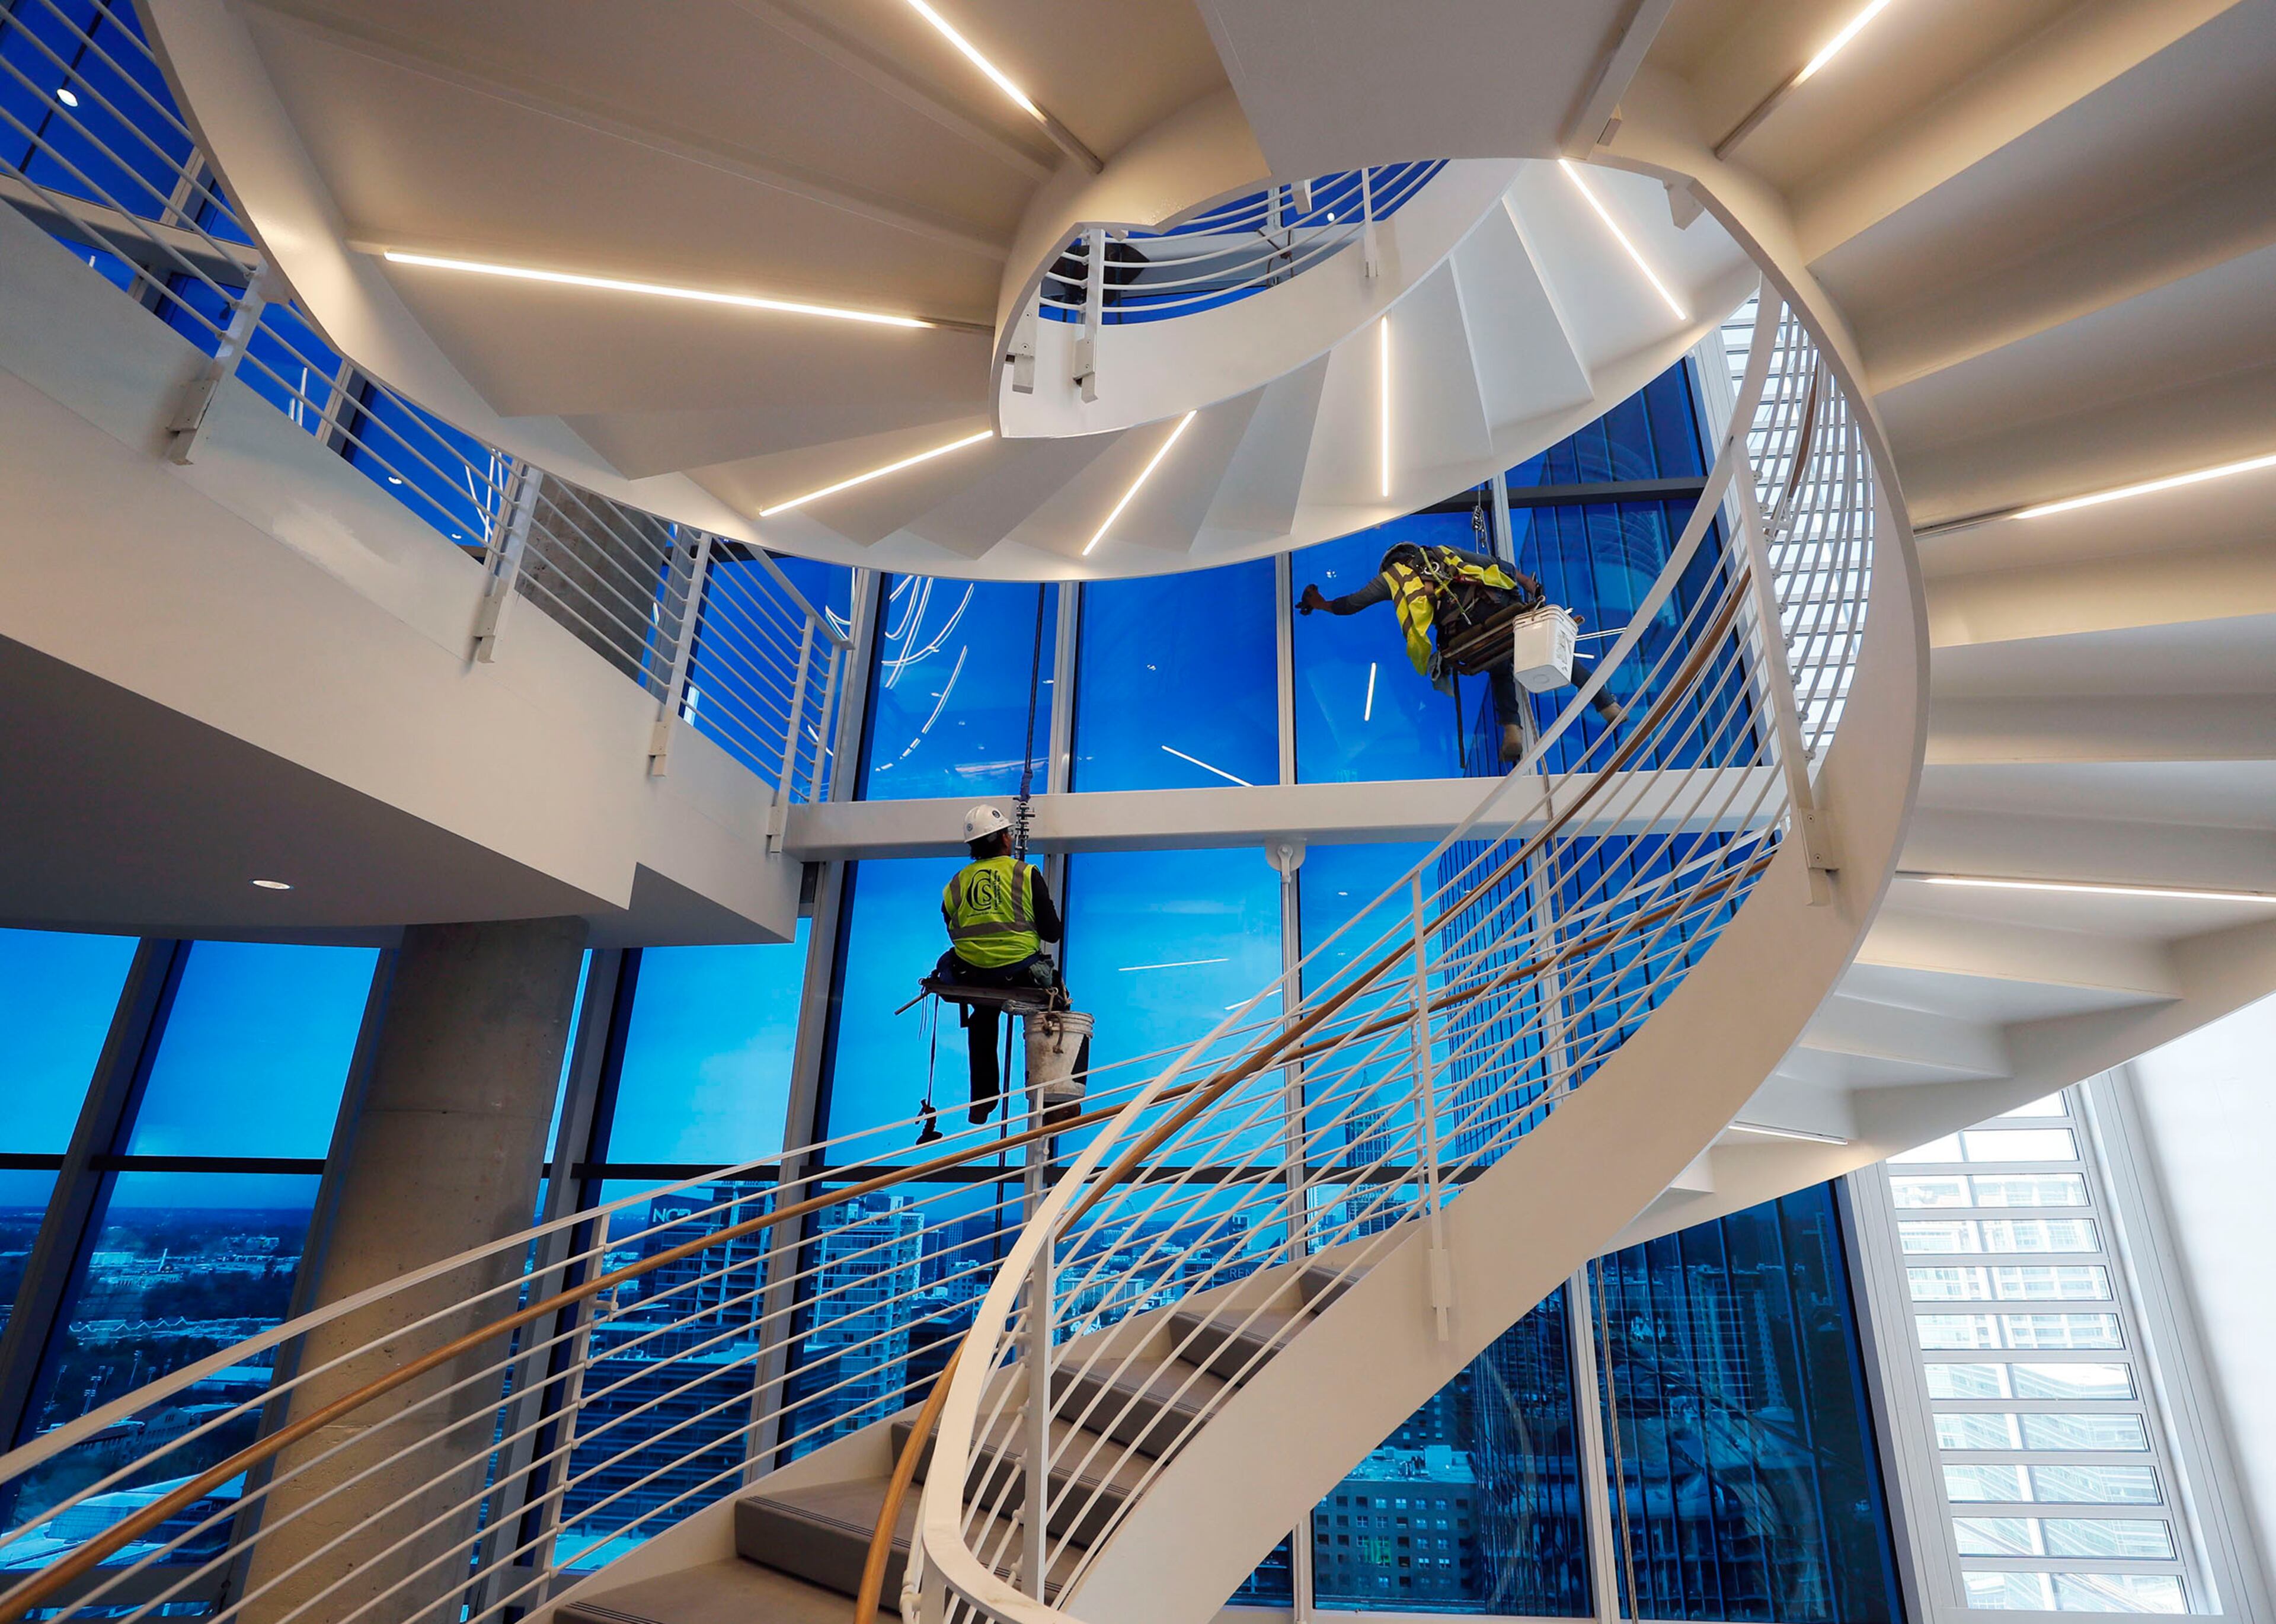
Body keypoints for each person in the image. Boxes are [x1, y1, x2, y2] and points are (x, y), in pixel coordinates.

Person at [1299, 541, 1620, 764]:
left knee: (1498, 664)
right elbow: (1495, 566)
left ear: (1391, 563)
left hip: (1462, 635)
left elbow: (1353, 603)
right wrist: (1528, 584)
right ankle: (1607, 706)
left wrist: (1321, 604)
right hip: (1496, 610)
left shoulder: (1392, 578)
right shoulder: (1444, 553)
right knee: (1549, 648)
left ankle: (1513, 729)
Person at [935, 804, 1086, 1124]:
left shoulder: (957, 883)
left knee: (983, 1018)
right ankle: (1059, 1097)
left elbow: (950, 923)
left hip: (973, 973)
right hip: (1019, 971)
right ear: (1005, 838)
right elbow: (1052, 933)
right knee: (1056, 1010)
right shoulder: (1025, 874)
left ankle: (983, 1101)